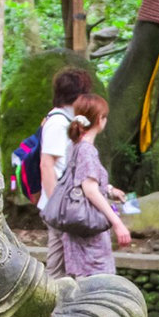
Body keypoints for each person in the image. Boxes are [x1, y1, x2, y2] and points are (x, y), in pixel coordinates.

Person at [48, 94, 131, 278]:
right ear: (100, 119)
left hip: (77, 232)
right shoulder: (87, 150)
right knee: (96, 286)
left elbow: (80, 180)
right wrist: (117, 223)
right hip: (89, 239)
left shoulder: (74, 146)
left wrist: (109, 189)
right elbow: (90, 190)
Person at [40, 68, 95, 278]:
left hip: (65, 205)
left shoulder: (66, 121)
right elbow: (46, 165)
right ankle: (52, 307)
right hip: (60, 207)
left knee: (65, 264)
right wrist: (57, 206)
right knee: (58, 268)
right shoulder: (57, 123)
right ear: (78, 95)